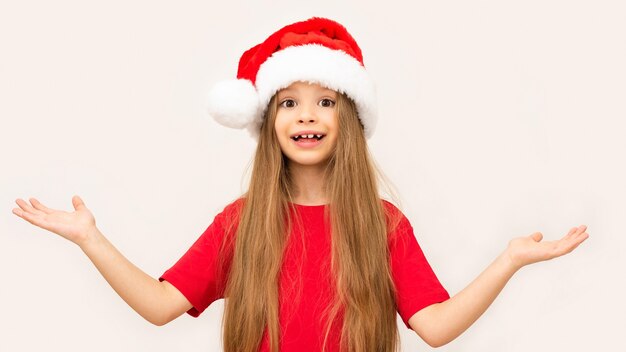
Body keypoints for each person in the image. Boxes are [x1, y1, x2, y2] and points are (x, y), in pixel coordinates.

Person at [12, 17, 589, 352]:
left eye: (324, 102)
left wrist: (509, 260)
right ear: (270, 123)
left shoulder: (382, 225)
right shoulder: (241, 224)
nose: (306, 116)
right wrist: (90, 238)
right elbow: (161, 305)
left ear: (349, 119)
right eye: (289, 102)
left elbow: (434, 327)